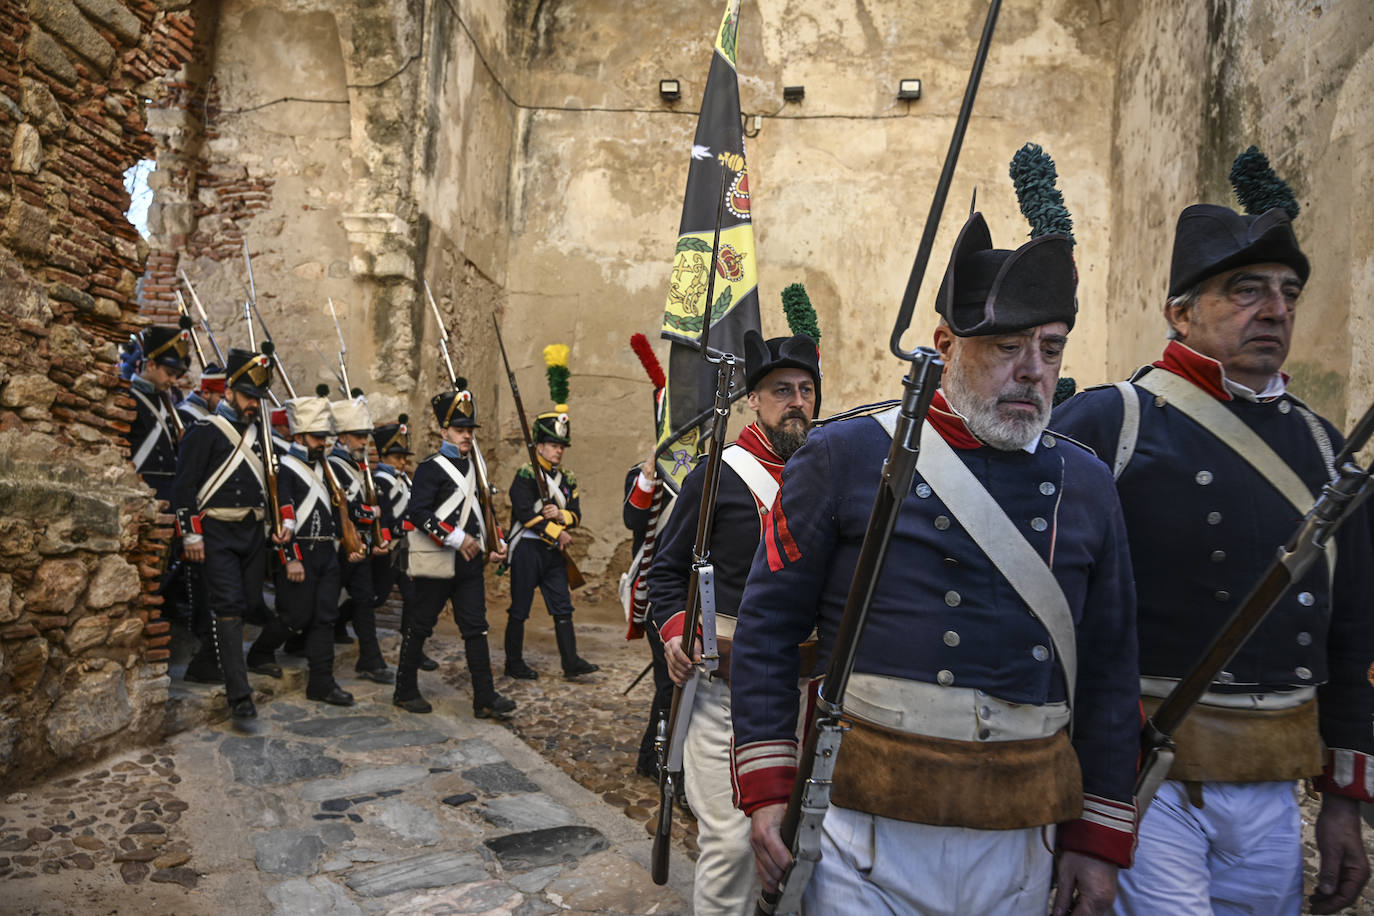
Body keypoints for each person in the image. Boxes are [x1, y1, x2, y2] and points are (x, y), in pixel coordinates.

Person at [733, 145, 1139, 915]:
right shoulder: (845, 455)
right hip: (861, 829)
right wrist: (767, 788)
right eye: (1006, 346)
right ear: (945, 345)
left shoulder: (1087, 486)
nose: (1032, 371)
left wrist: (1097, 836)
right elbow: (767, 628)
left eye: (1050, 349)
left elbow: (1113, 671)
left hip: (1023, 834)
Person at [1052, 146, 1374, 916]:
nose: (1275, 310)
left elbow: (1354, 632)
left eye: (1288, 292)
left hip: (1272, 783)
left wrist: (1342, 800)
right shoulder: (1111, 423)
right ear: (1180, 311)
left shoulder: (1329, 448)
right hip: (1145, 774)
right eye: (1246, 291)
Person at [649, 317, 823, 916]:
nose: (796, 402)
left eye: (805, 390)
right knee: (730, 843)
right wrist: (675, 634)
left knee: (800, 847)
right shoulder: (716, 474)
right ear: (754, 400)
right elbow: (664, 575)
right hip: (724, 691)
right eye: (781, 391)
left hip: (805, 693)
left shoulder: (828, 477)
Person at [171, 348, 289, 720]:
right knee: (229, 605)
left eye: (259, 399)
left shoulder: (265, 438)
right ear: (229, 392)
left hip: (254, 533)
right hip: (217, 530)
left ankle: (206, 664)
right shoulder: (205, 431)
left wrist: (286, 522)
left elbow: (278, 486)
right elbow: (183, 487)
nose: (254, 405)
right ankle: (239, 695)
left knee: (250, 602)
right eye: (249, 397)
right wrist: (191, 535)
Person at [399, 384, 515, 718]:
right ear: (444, 431)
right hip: (438, 562)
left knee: (476, 627)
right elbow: (418, 515)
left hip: (469, 566)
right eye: (459, 430)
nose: (466, 436)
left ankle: (485, 698)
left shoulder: (476, 468)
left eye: (469, 431)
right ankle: (404, 690)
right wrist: (456, 537)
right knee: (420, 625)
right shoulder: (430, 468)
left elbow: (482, 512)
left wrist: (495, 542)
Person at [245, 388, 356, 706]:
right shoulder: (283, 469)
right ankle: (260, 651)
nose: (324, 442)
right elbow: (281, 521)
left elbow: (337, 512)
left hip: (325, 554)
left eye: (326, 437)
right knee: (294, 616)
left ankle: (322, 682)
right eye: (319, 437)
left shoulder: (327, 469)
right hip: (298, 553)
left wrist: (348, 543)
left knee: (324, 617)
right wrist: (290, 558)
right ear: (303, 435)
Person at [504, 344, 597, 679]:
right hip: (529, 548)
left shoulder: (567, 478)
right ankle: (513, 662)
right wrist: (557, 527)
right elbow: (524, 515)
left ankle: (571, 662)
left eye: (561, 446)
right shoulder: (527, 475)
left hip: (553, 551)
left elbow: (576, 513)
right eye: (553, 445)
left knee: (563, 608)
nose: (558, 451)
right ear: (539, 446)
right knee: (519, 610)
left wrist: (559, 517)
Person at [327, 393, 395, 685]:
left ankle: (370, 658)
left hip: (360, 545)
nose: (364, 442)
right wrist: (371, 512)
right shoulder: (332, 466)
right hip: (338, 545)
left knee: (365, 599)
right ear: (342, 437)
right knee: (315, 607)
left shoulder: (361, 467)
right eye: (358, 436)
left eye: (366, 436)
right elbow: (342, 506)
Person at [623, 453, 674, 780]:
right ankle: (654, 757)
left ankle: (658, 756)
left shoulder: (711, 469)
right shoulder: (643, 472)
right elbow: (634, 519)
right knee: (670, 683)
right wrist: (648, 477)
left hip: (696, 593)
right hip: (660, 592)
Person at [371, 415, 437, 673]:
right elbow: (385, 517)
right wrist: (406, 526)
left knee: (412, 598)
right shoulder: (380, 481)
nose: (402, 462)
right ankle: (341, 621)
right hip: (389, 548)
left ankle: (414, 650)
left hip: (404, 548)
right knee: (377, 596)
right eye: (397, 457)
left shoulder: (404, 480)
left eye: (403, 457)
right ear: (384, 456)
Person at [128, 324, 191, 501]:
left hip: (169, 493)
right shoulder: (128, 397)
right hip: (141, 490)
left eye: (176, 375)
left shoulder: (166, 402)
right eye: (169, 373)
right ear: (151, 365)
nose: (172, 380)